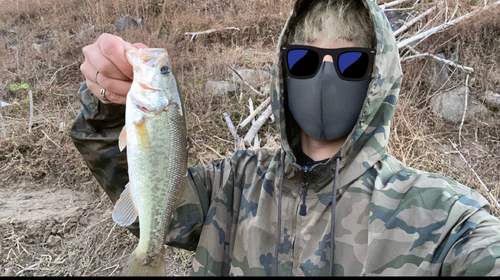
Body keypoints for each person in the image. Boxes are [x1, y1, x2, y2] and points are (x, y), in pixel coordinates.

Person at [71, 0, 500, 276]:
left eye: (351, 62)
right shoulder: (233, 184)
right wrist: (109, 103)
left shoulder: (446, 220)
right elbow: (149, 187)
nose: (327, 75)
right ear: (283, 72)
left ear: (379, 76)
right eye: (304, 59)